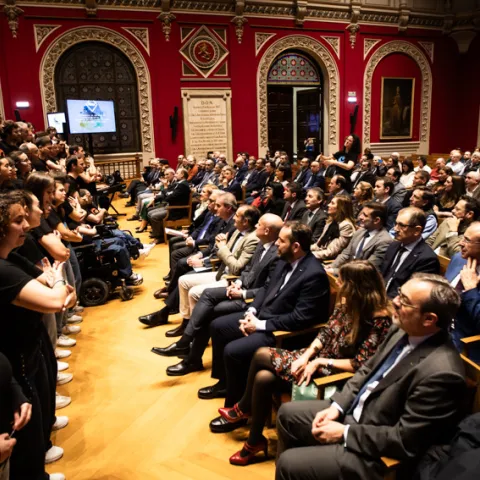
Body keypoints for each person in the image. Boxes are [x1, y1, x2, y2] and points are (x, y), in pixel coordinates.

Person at [275, 274, 466, 480]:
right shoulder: (401, 330)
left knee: (289, 464)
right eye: (399, 293)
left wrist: (344, 433)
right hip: (354, 414)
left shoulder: (442, 373)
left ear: (429, 319)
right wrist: (337, 407)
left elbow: (404, 440)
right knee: (288, 415)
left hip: (376, 451)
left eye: (405, 301)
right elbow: (366, 370)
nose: (395, 302)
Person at [218, 260, 392, 465]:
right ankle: (254, 440)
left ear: (355, 287)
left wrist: (320, 362)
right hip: (317, 360)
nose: (337, 283)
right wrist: (307, 355)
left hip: (334, 373)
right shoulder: (348, 303)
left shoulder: (379, 320)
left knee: (261, 355)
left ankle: (244, 410)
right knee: (263, 377)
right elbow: (326, 333)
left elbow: (361, 364)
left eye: (342, 281)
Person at [198, 222, 331, 413]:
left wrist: (259, 325)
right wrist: (251, 312)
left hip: (283, 333)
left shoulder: (314, 274)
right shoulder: (284, 260)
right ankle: (224, 384)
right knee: (218, 326)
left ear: (296, 246)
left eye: (281, 241)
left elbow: (300, 319)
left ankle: (236, 407)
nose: (276, 243)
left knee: (233, 350)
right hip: (262, 317)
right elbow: (266, 288)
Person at [153, 214, 284, 375]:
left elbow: (268, 288)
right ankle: (188, 349)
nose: (256, 226)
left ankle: (189, 353)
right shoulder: (262, 244)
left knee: (209, 311)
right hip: (240, 288)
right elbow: (248, 270)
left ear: (267, 230)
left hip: (252, 299)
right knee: (207, 295)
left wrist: (243, 293)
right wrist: (239, 283)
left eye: (259, 225)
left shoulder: (276, 254)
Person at [0, 193, 71, 480]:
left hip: (30, 345)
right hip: (17, 357)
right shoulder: (3, 270)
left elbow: (58, 293)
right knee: (27, 440)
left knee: (40, 411)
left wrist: (57, 287)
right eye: (17, 220)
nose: (26, 225)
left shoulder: (12, 256)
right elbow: (55, 298)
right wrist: (59, 282)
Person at [381, 207, 440, 298]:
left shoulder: (427, 259)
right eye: (396, 224)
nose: (395, 229)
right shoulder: (393, 246)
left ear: (417, 230)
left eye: (401, 225)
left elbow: (413, 293)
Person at [444, 222, 480, 363]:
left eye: (467, 240)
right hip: (438, 325)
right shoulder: (459, 258)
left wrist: (471, 290)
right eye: (463, 238)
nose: (460, 243)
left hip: (464, 339)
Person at [326, 202, 392, 274]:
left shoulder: (384, 241)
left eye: (365, 215)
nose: (360, 217)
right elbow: (346, 254)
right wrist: (331, 266)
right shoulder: (360, 231)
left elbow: (366, 269)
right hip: (347, 272)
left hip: (361, 278)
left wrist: (335, 271)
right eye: (361, 213)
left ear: (376, 220)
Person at [147, 168, 191, 242]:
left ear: (182, 175)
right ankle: (160, 233)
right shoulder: (179, 183)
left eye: (177, 173)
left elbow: (169, 197)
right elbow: (168, 191)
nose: (175, 175)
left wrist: (167, 193)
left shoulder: (183, 185)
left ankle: (160, 237)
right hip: (171, 207)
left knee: (154, 216)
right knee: (149, 213)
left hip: (176, 210)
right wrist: (167, 193)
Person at [311, 195, 356, 262]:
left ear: (340, 208)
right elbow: (319, 245)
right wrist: (305, 249)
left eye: (332, 203)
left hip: (333, 261)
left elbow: (331, 252)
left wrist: (309, 255)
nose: (328, 205)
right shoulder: (331, 222)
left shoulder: (346, 226)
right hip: (321, 255)